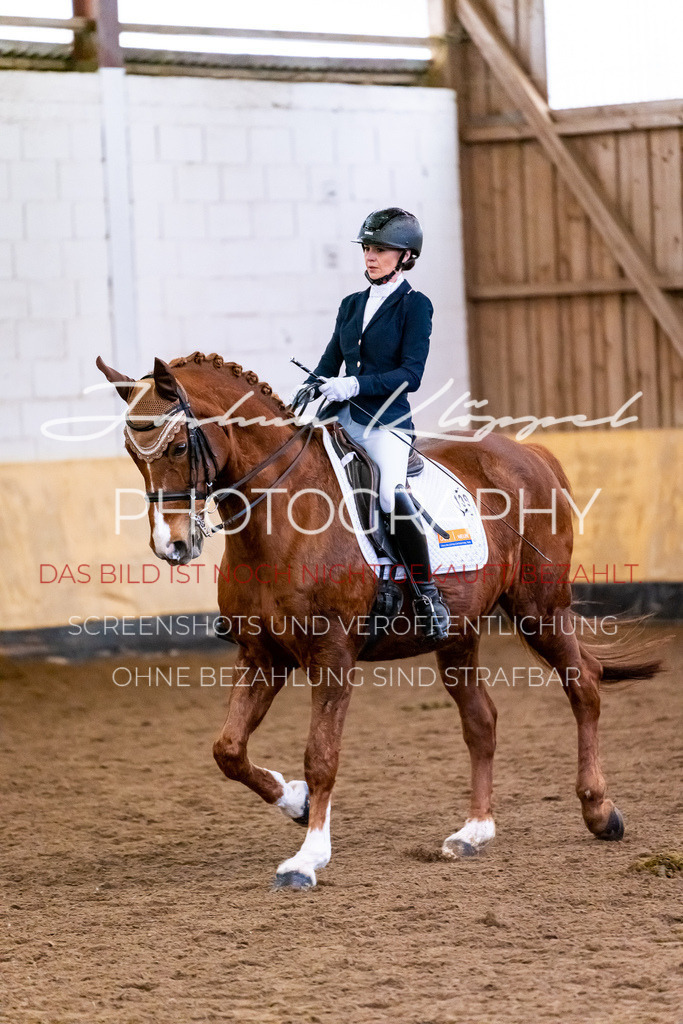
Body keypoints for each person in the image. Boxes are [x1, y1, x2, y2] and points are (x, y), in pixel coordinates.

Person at [292, 207, 449, 640]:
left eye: (380, 249)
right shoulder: (351, 305)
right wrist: (313, 389)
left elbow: (410, 375)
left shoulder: (416, 306)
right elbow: (328, 363)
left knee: (387, 493)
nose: (370, 256)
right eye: (367, 248)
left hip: (387, 424)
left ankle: (426, 592)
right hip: (339, 420)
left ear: (405, 256)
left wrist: (354, 385)